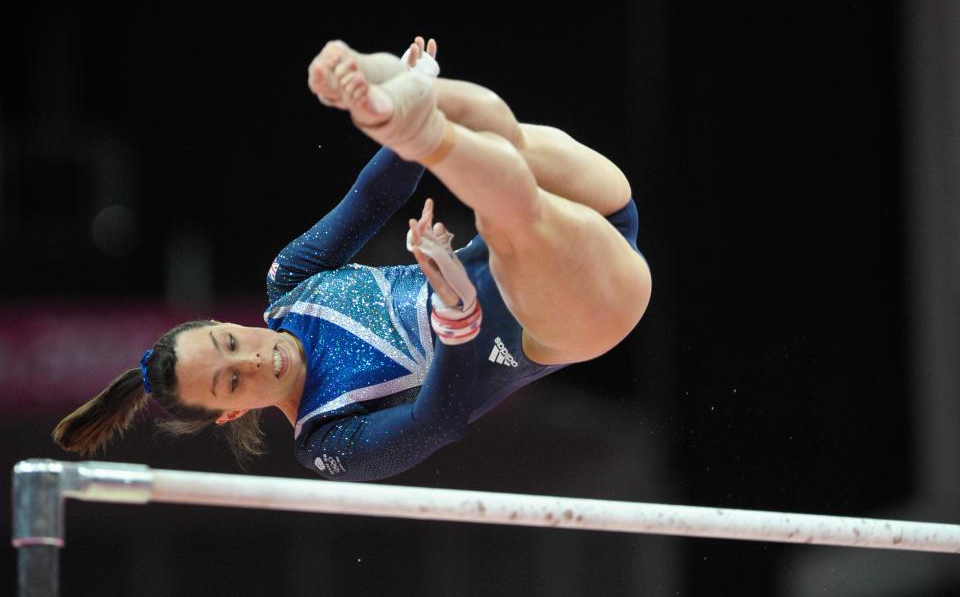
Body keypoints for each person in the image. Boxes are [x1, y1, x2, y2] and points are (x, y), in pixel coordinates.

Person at [53, 37, 652, 482]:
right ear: (230, 412)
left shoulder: (290, 282)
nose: (258, 357)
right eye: (232, 380)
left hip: (582, 216)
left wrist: (393, 123)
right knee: (510, 213)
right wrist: (454, 313)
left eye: (232, 343)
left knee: (501, 138)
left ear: (224, 323)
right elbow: (437, 423)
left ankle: (408, 95)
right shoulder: (326, 441)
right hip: (563, 318)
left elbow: (376, 197)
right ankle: (421, 116)